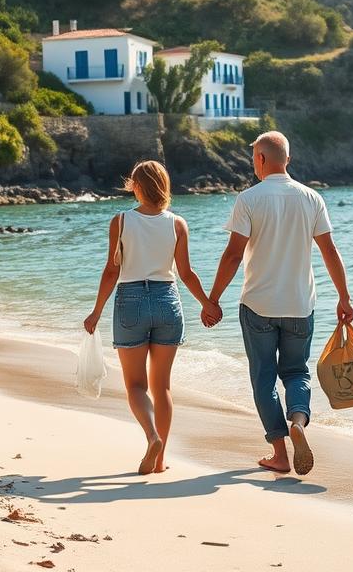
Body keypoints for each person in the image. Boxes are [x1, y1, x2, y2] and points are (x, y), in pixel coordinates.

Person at [202, 131, 353, 476]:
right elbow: (330, 251)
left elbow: (232, 255)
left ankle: (280, 453)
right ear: (288, 159)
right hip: (300, 305)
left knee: (264, 380)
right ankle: (298, 419)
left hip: (258, 305)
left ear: (260, 159)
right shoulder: (311, 198)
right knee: (297, 372)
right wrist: (344, 297)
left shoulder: (250, 199)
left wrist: (212, 299)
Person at [84, 160, 215, 475]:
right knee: (162, 387)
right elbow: (186, 273)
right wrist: (208, 304)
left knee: (136, 386)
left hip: (131, 301)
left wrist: (96, 311)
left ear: (136, 186)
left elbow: (111, 270)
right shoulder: (177, 224)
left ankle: (151, 437)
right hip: (167, 300)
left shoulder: (121, 221)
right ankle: (159, 460)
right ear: (164, 186)